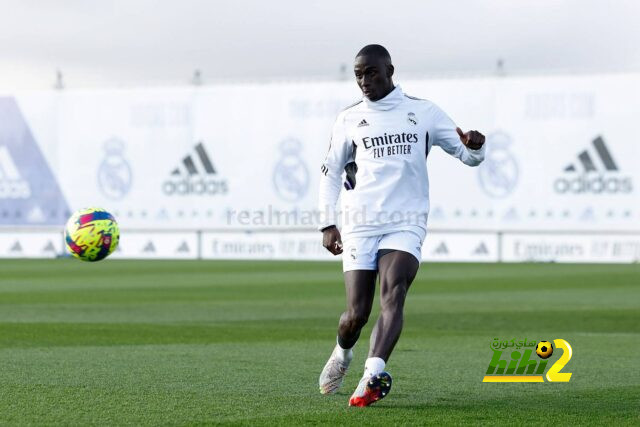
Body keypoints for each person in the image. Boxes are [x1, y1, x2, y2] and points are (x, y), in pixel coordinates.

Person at [317, 44, 486, 407]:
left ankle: (372, 373)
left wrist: (475, 147)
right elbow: (330, 174)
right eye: (358, 75)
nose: (364, 81)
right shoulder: (349, 118)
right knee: (356, 315)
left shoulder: (422, 112)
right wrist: (327, 224)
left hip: (406, 222)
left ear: (390, 70)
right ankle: (343, 353)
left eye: (371, 72)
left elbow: (467, 155)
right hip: (360, 223)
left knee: (394, 294)